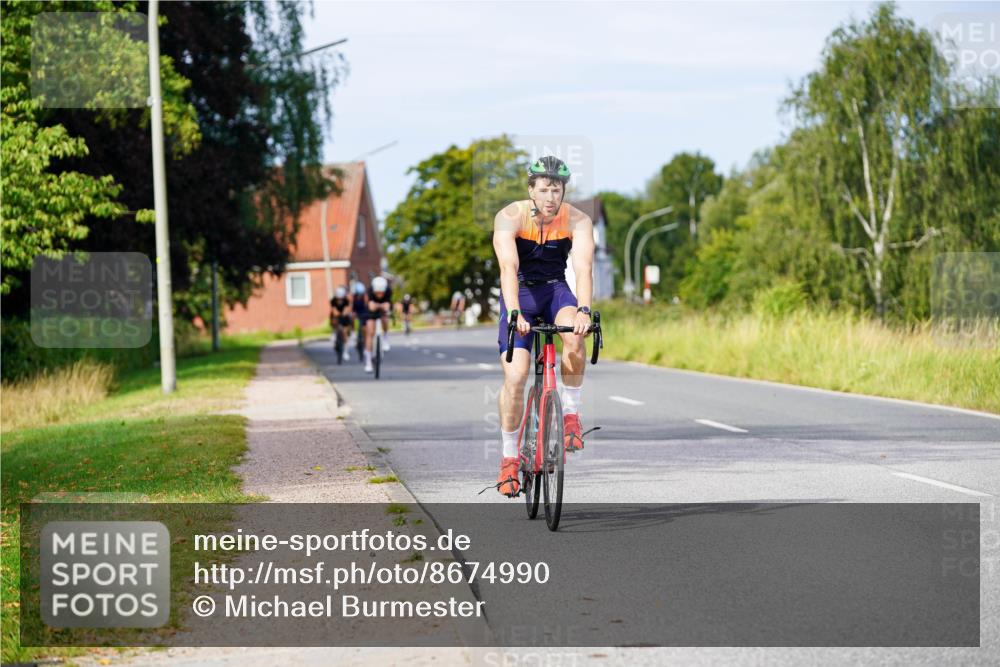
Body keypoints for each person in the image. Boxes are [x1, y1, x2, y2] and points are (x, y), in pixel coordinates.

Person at [491, 156, 594, 497]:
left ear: (564, 191)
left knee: (575, 336)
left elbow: (583, 269)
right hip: (519, 292)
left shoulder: (578, 221)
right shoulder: (509, 217)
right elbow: (508, 268)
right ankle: (508, 459)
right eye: (544, 189)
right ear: (531, 190)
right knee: (516, 376)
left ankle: (571, 417)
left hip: (554, 290)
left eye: (557, 189)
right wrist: (516, 312)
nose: (551, 196)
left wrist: (583, 311)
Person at [364, 275, 393, 372]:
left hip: (382, 310)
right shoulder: (369, 291)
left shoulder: (388, 291)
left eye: (381, 292)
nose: (380, 294)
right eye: (378, 292)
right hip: (370, 312)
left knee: (385, 318)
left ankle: (385, 336)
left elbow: (388, 306)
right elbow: (371, 306)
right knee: (370, 333)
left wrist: (381, 306)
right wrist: (380, 305)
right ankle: (368, 362)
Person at [329, 286, 353, 362]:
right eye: (338, 298)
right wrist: (337, 313)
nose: (340, 300)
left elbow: (347, 310)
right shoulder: (333, 300)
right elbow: (334, 310)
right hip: (336, 315)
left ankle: (345, 351)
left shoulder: (346, 300)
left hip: (344, 315)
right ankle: (334, 332)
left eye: (341, 298)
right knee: (334, 320)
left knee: (345, 332)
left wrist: (344, 313)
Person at [351, 281, 369, 360]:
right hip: (356, 313)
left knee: (365, 330)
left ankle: (365, 345)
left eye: (360, 294)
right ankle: (354, 333)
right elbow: (351, 306)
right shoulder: (353, 297)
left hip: (364, 313)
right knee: (352, 318)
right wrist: (352, 313)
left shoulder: (365, 297)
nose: (359, 295)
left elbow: (367, 306)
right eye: (358, 294)